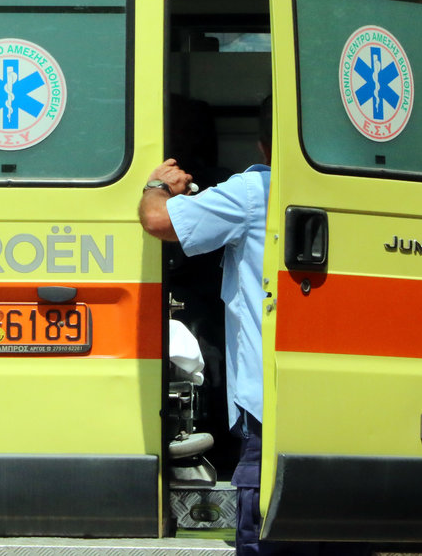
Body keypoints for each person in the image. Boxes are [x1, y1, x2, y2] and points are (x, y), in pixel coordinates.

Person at [139, 105, 271, 555]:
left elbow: (158, 221)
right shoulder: (362, 192)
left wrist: (157, 186)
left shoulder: (249, 191)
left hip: (264, 402)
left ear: (261, 145)